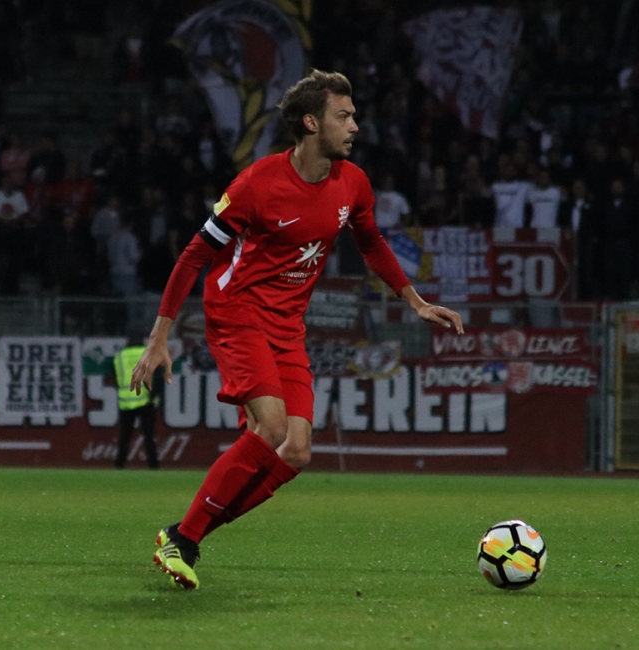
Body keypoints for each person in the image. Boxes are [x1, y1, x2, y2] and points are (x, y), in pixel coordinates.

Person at [130, 70, 463, 590]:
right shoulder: (255, 185)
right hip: (238, 311)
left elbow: (371, 243)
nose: (355, 125)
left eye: (353, 115)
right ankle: (186, 540)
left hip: (286, 325)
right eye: (343, 116)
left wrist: (414, 300)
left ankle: (183, 532)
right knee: (273, 428)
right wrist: (159, 337)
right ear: (311, 122)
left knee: (298, 450)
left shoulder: (352, 182)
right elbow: (195, 255)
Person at [113, 332, 159, 470]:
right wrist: (154, 395)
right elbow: (157, 377)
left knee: (125, 436)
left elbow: (116, 376)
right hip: (145, 400)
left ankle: (119, 465)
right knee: (149, 435)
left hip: (126, 401)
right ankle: (153, 466)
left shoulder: (120, 356)